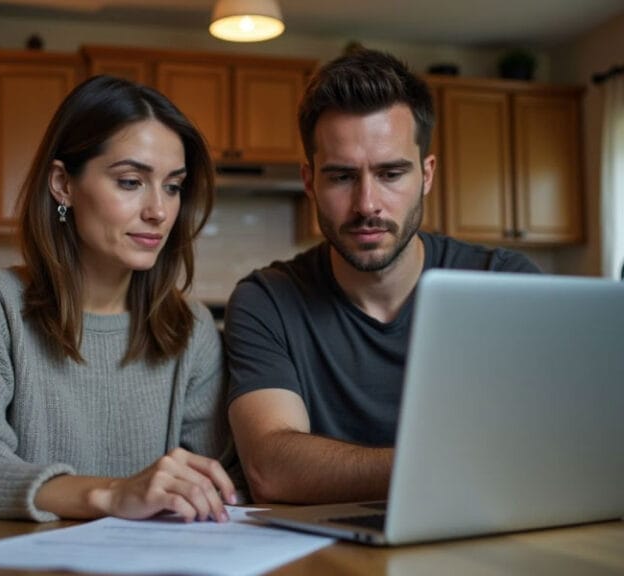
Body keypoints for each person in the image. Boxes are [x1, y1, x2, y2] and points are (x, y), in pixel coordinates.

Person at [0, 75, 239, 523]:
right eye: (130, 181)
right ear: (63, 184)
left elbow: (215, 491)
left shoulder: (191, 328)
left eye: (173, 186)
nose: (159, 211)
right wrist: (112, 495)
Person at [224, 48, 541, 505]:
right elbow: (270, 469)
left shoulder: (506, 284)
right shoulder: (267, 300)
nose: (367, 204)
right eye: (341, 177)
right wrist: (452, 464)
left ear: (426, 175)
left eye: (391, 173)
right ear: (310, 181)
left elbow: (550, 445)